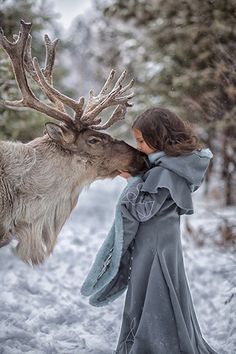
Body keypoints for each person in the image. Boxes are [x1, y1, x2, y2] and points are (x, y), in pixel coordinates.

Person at [81, 107, 219, 354]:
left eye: (142, 141)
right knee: (156, 291)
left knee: (155, 293)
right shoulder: (174, 166)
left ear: (160, 139)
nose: (140, 147)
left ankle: (155, 344)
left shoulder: (167, 172)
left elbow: (144, 209)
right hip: (161, 245)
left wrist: (132, 181)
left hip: (154, 249)